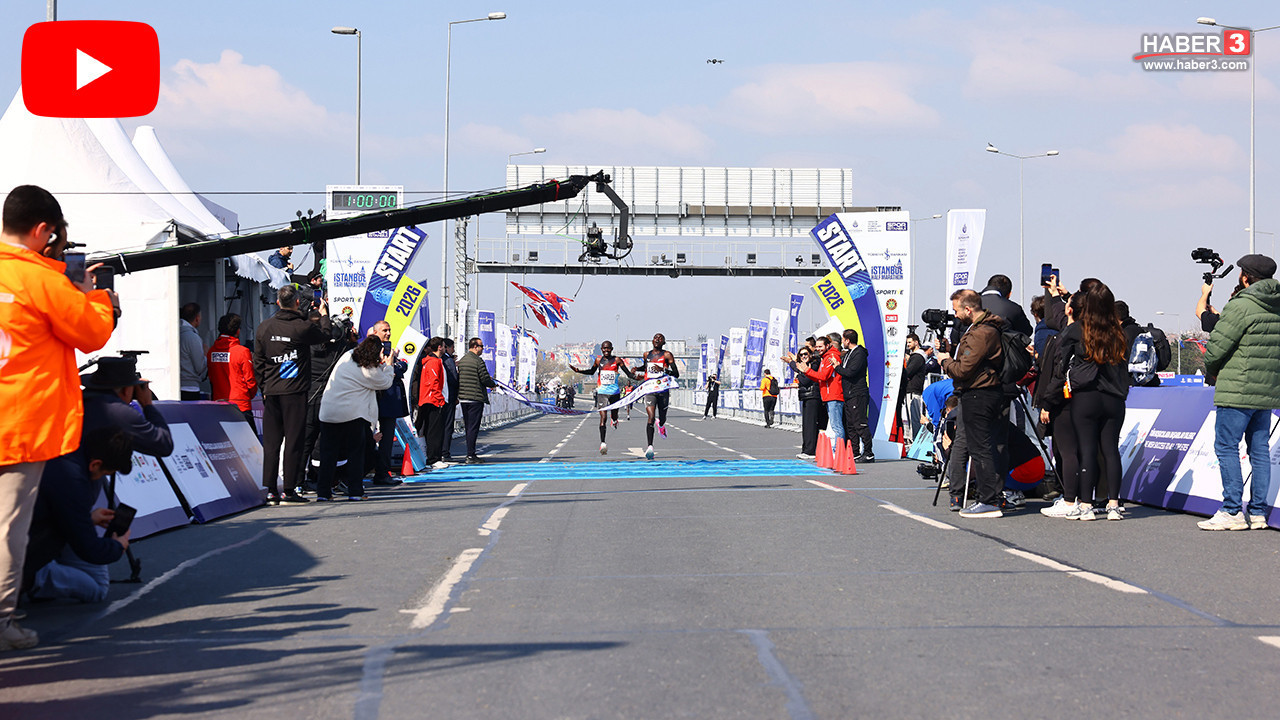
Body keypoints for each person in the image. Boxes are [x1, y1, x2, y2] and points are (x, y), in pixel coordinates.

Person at [0, 184, 116, 651]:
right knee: (8, 528)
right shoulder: (41, 281)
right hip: (21, 426)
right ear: (43, 231)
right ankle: (3, 620)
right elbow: (92, 334)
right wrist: (97, 293)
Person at [1198, 254, 1280, 530]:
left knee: (1226, 446)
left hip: (1237, 388)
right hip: (1267, 389)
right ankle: (1257, 512)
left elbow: (1217, 347)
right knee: (1259, 450)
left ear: (1245, 277)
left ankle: (1232, 510)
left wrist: (1213, 368)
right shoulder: (1277, 306)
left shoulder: (1241, 305)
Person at [23, 428, 134, 604]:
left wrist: (86, 518)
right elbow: (90, 549)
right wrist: (118, 546)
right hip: (26, 549)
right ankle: (29, 579)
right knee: (96, 588)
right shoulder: (73, 481)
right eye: (104, 474)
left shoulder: (64, 453)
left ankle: (33, 576)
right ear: (95, 465)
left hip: (29, 532)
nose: (99, 479)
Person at [1051, 285, 1130, 521]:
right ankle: (1113, 505)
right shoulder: (1118, 332)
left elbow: (1060, 361)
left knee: (1087, 450)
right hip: (1115, 398)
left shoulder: (1077, 330)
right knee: (1110, 450)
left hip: (1086, 396)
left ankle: (1086, 505)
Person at [253, 285, 332, 505]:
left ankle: (270, 491)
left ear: (278, 302)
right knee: (294, 441)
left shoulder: (264, 327)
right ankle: (289, 490)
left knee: (271, 443)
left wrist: (264, 388)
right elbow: (326, 335)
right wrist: (324, 315)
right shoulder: (301, 327)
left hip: (272, 392)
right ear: (297, 302)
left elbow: (258, 362)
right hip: (295, 392)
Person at [939, 289, 1007, 518]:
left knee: (980, 448)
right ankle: (988, 498)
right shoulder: (982, 330)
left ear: (968, 309)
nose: (955, 315)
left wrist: (946, 361)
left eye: (957, 310)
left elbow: (963, 369)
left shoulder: (980, 333)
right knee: (978, 445)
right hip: (980, 391)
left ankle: (988, 500)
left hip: (979, 393)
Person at [316, 337, 395, 501]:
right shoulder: (368, 368)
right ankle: (355, 491)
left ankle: (323, 493)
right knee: (356, 454)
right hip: (352, 415)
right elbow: (384, 382)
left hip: (329, 413)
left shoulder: (348, 356)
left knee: (328, 455)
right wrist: (388, 365)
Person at [80, 357, 173, 458]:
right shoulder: (118, 412)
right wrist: (147, 404)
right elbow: (163, 444)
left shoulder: (80, 401)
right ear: (126, 390)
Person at [568, 341, 636, 455]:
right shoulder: (598, 360)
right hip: (602, 393)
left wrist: (637, 376)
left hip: (614, 393)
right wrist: (578, 371)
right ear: (601, 349)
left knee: (614, 415)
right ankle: (603, 443)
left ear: (612, 348)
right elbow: (591, 371)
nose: (606, 350)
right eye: (604, 348)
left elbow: (628, 374)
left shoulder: (617, 360)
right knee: (603, 418)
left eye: (608, 348)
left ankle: (614, 420)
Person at [368, 322, 408, 486]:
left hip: (389, 400)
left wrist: (393, 362)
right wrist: (388, 365)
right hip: (373, 398)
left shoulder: (389, 351)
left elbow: (401, 367)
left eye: (389, 330)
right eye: (385, 330)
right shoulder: (370, 351)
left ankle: (383, 472)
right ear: (375, 332)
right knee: (366, 435)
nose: (388, 333)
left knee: (387, 437)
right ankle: (373, 470)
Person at [208, 313, 258, 430]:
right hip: (241, 405)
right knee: (251, 445)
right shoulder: (242, 352)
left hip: (219, 404)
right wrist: (248, 396)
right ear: (238, 331)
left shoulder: (211, 351)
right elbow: (250, 380)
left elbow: (211, 378)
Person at [800, 335, 844, 454]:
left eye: (820, 346)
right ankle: (836, 451)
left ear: (828, 346)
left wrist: (807, 371)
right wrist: (807, 372)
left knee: (837, 426)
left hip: (834, 395)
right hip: (828, 396)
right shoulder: (825, 358)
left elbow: (824, 376)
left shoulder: (832, 357)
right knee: (834, 426)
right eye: (816, 347)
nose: (817, 349)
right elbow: (819, 377)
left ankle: (839, 453)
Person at [834, 328, 873, 462]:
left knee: (860, 424)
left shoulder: (859, 353)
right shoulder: (848, 353)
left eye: (843, 340)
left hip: (858, 393)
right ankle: (854, 452)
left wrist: (837, 367)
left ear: (847, 340)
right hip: (849, 394)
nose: (842, 342)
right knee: (850, 425)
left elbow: (851, 372)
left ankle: (868, 453)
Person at [456, 337, 497, 463]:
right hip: (475, 398)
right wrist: (493, 384)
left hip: (463, 398)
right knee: (473, 427)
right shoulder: (478, 361)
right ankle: (471, 454)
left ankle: (470, 453)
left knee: (468, 427)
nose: (483, 349)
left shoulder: (462, 361)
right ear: (475, 347)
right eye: (481, 346)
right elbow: (484, 379)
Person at [640, 333, 679, 460]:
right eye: (655, 338)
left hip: (663, 390)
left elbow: (676, 373)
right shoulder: (646, 355)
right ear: (652, 341)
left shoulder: (667, 355)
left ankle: (661, 425)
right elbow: (646, 368)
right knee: (650, 417)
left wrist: (663, 370)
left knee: (662, 417)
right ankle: (650, 447)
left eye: (660, 338)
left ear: (663, 342)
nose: (657, 339)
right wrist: (637, 369)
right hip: (650, 390)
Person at [416, 337, 450, 469]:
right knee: (434, 430)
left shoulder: (433, 361)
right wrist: (440, 399)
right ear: (440, 347)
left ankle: (432, 457)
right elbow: (433, 382)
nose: (445, 348)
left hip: (429, 399)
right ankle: (433, 458)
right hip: (433, 400)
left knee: (430, 429)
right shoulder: (433, 362)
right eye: (443, 345)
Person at [783, 347, 821, 458]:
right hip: (805, 397)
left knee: (811, 425)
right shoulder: (803, 366)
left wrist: (799, 371)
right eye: (801, 354)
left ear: (810, 354)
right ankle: (806, 449)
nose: (804, 356)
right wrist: (794, 365)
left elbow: (805, 380)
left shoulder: (813, 365)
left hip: (813, 396)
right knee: (806, 425)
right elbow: (801, 375)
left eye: (806, 354)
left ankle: (810, 451)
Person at [179, 302, 207, 400]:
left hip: (175, 385)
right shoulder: (193, 337)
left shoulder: (175, 333)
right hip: (190, 388)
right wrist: (206, 356)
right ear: (197, 318)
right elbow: (200, 367)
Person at [440, 339, 460, 462]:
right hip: (448, 397)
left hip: (441, 397)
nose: (454, 350)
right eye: (452, 347)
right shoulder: (447, 360)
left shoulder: (442, 359)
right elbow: (453, 378)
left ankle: (441, 451)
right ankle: (445, 452)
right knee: (447, 426)